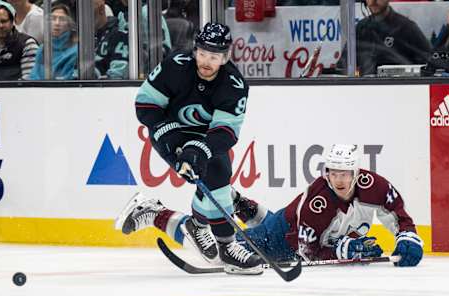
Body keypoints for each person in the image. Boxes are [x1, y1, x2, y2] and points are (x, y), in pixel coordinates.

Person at [116, 144, 424, 269]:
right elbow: (306, 251)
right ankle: (154, 212)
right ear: (326, 172)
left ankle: (240, 204)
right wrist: (345, 250)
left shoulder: (376, 186)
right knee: (215, 254)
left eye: (345, 174)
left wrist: (407, 238)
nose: (339, 180)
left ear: (357, 173)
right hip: (281, 240)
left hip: (289, 221)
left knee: (275, 220)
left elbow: (398, 215)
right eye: (333, 173)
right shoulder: (319, 202)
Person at [115, 22, 264, 275]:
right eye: (202, 53)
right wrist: (174, 140)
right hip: (170, 132)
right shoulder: (176, 66)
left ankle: (165, 216)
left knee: (217, 174)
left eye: (214, 56)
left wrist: (198, 149)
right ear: (195, 50)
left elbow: (226, 132)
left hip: (205, 138)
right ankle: (228, 247)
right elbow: (146, 105)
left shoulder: (234, 85)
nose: (206, 61)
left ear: (225, 57)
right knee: (217, 177)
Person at [339, 0, 432, 76]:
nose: (373, 1)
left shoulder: (406, 27)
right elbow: (343, 64)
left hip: (397, 89)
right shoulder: (361, 28)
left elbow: (429, 63)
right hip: (365, 89)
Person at [0, 1, 38, 80]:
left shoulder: (27, 44)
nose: (0, 26)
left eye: (4, 21)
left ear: (12, 22)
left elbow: (29, 80)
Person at [29, 3, 77, 80]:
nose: (57, 23)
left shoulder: (76, 51)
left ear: (69, 24)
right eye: (53, 18)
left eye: (62, 19)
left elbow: (67, 80)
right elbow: (33, 76)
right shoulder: (42, 49)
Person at [93, 0, 128, 79]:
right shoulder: (79, 39)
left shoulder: (119, 36)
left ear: (101, 9)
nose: (81, 17)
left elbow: (117, 76)